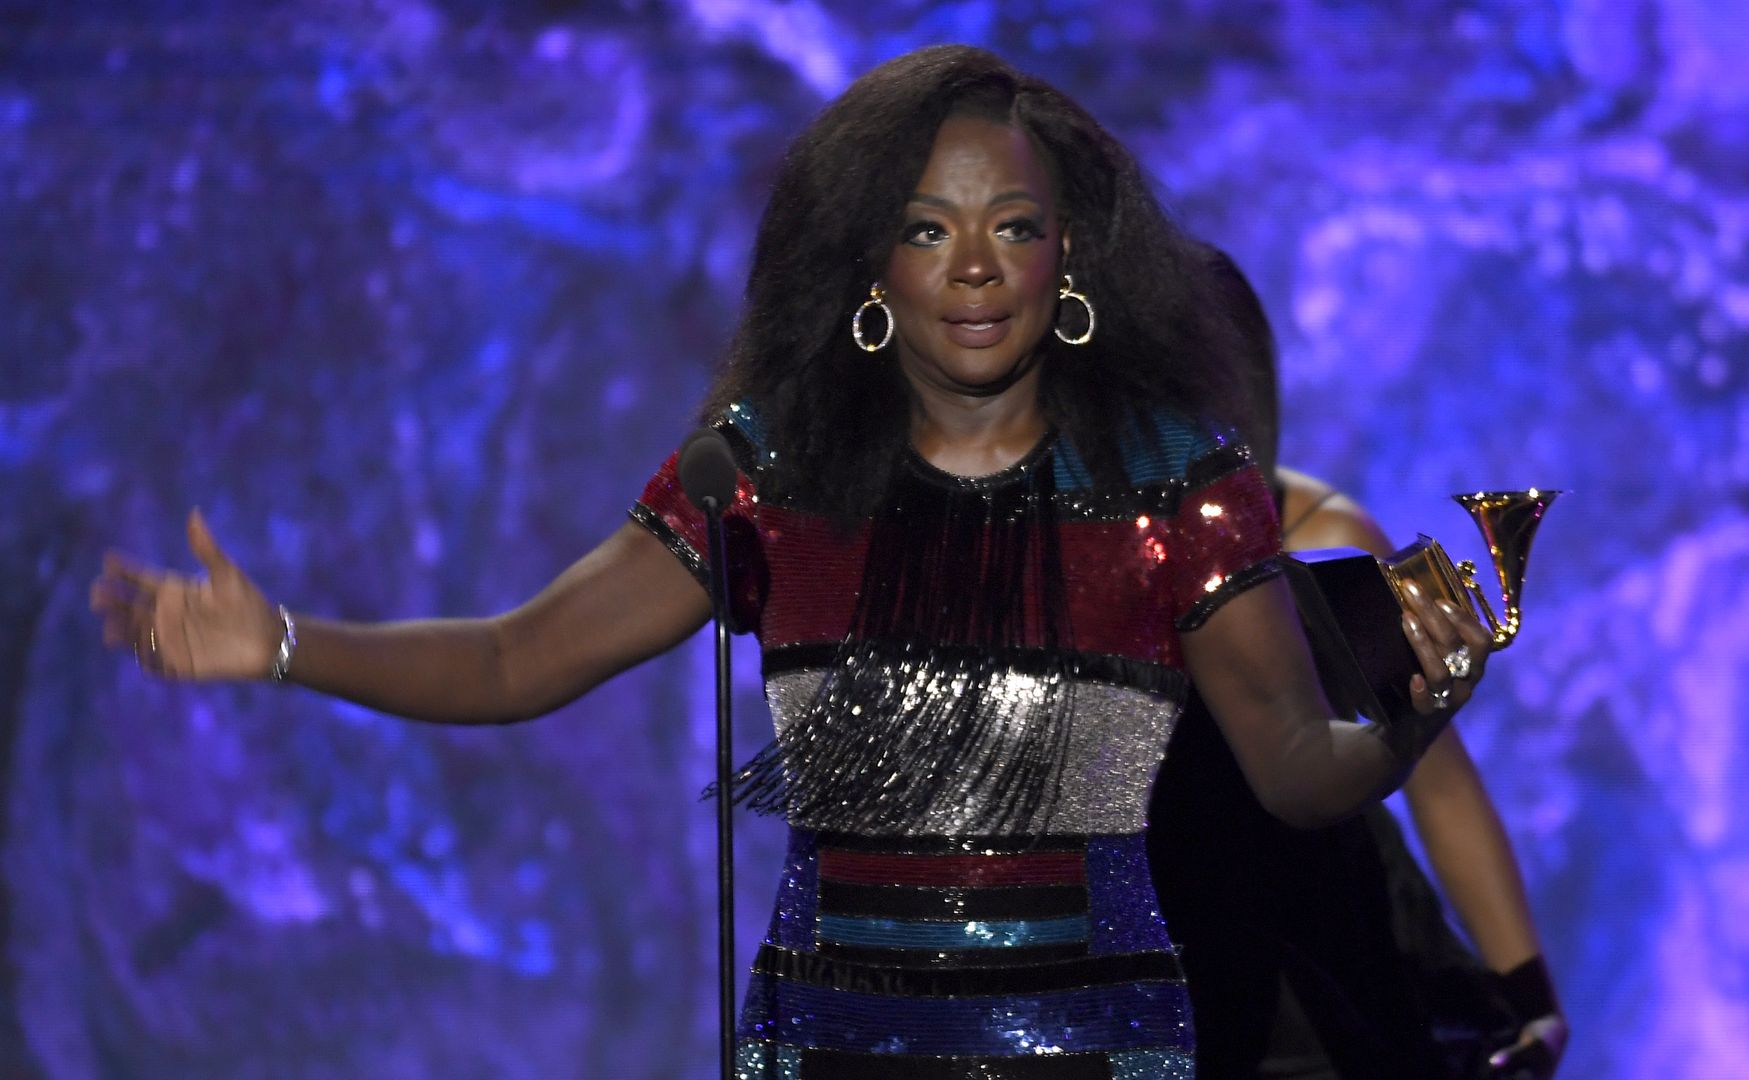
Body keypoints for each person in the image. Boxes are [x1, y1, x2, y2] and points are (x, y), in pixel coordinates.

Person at [88, 46, 1493, 1078]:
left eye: (1012, 226)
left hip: (1099, 1043)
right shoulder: (767, 476)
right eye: (925, 230)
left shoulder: (1177, 485)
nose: (974, 265)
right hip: (836, 1045)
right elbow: (518, 655)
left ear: (1070, 259)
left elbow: (1301, 769)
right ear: (867, 269)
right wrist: (280, 643)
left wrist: (1415, 708)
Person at [1146, 250, 1567, 1079]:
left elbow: (1438, 778)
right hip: (1134, 941)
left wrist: (1529, 995)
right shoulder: (1072, 544)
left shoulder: (1323, 541)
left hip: (1325, 946)